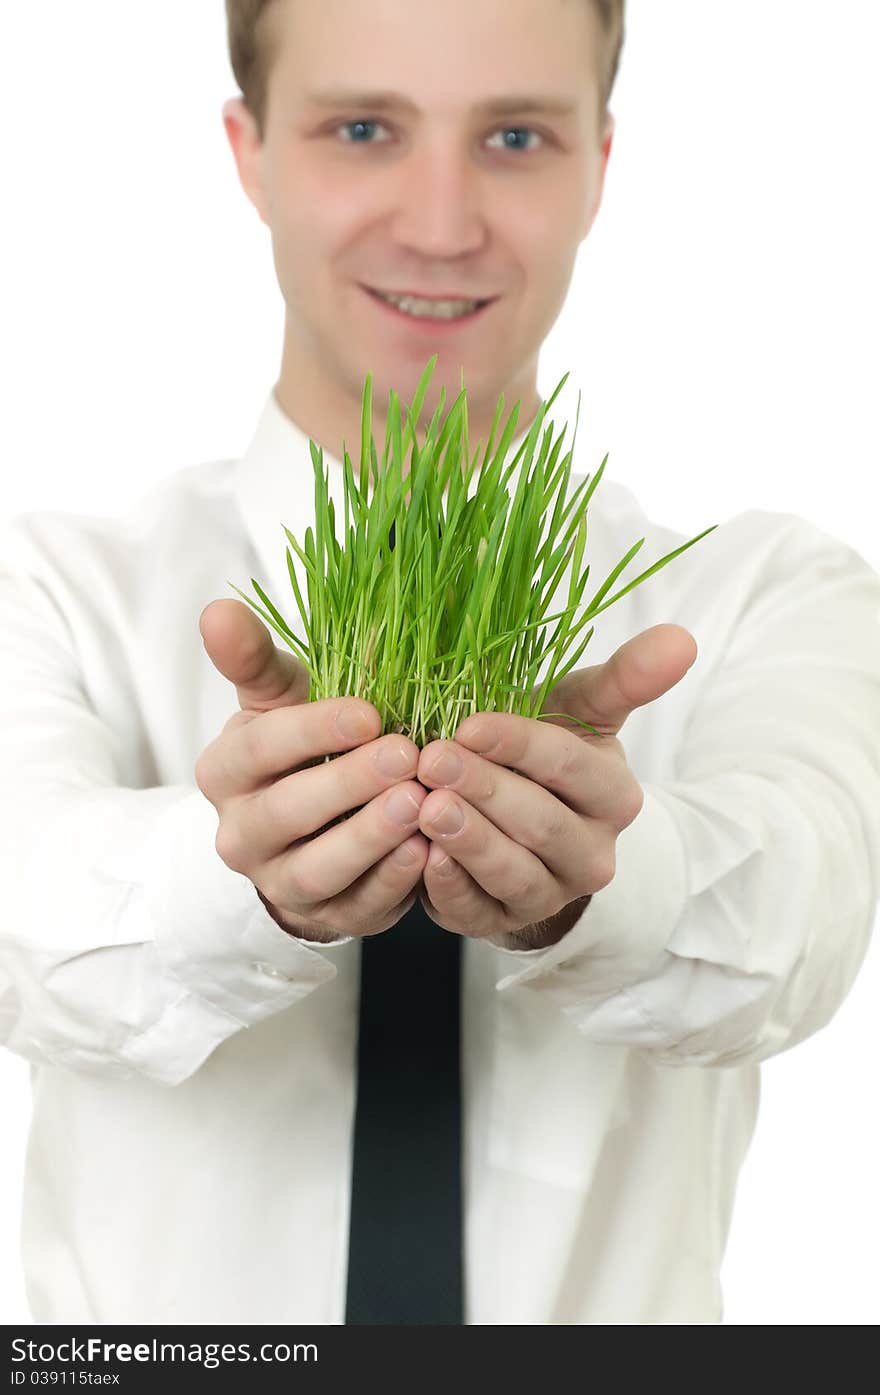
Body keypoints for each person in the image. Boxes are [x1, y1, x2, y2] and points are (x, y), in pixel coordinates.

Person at [0, 0, 878, 1326]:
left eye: (516, 136)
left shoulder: (762, 594)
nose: (441, 223)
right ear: (249, 153)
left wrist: (597, 881)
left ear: (601, 163)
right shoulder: (57, 590)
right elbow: (25, 926)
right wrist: (242, 878)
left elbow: (799, 928)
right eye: (363, 129)